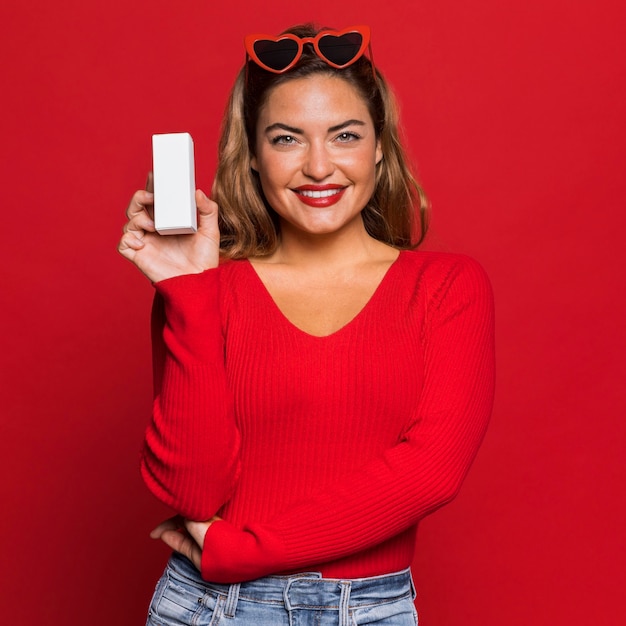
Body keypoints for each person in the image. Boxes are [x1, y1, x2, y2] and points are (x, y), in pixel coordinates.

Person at [118, 23, 495, 626]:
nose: (319, 167)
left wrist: (243, 551)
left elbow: (431, 471)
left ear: (378, 145)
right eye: (287, 138)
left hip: (367, 609)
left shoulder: (447, 287)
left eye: (344, 135)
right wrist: (188, 290)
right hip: (207, 608)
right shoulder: (206, 288)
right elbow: (194, 492)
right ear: (255, 151)